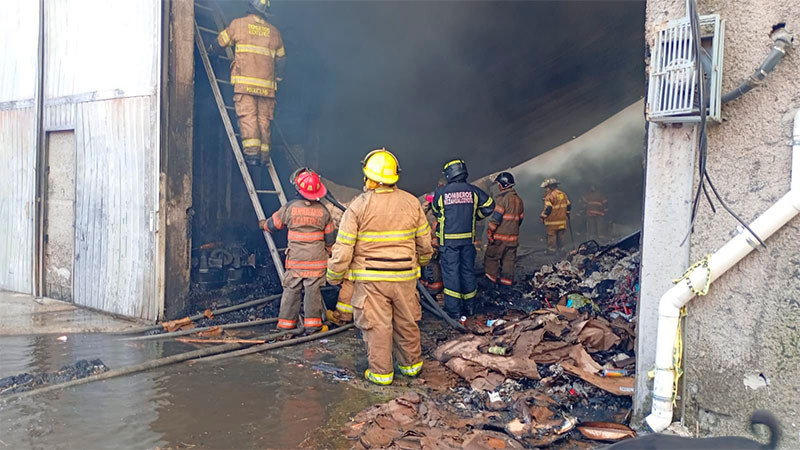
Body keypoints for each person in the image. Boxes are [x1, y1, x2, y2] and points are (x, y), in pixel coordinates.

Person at [327, 148, 433, 386]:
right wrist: (422, 263)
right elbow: (425, 243)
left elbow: (343, 247)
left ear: (370, 178)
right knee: (407, 320)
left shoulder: (358, 206)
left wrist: (334, 276)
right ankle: (411, 366)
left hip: (371, 280)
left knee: (378, 326)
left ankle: (382, 374)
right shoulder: (411, 202)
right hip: (405, 277)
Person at [260, 168, 335, 332]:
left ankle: (286, 325)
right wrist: (329, 251)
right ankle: (313, 326)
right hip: (316, 262)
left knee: (291, 291)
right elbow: (330, 238)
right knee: (313, 293)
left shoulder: (290, 207)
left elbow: (274, 225)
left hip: (296, 261)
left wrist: (263, 224)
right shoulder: (324, 211)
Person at [214, 0, 286, 166]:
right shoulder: (274, 33)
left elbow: (221, 42)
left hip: (245, 86)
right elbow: (282, 59)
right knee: (264, 120)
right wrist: (278, 77)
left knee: (248, 117)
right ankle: (264, 156)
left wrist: (211, 49)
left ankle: (252, 156)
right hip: (267, 88)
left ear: (250, 8)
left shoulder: (238, 25)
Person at [431, 159, 494, 318]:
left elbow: (435, 210)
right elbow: (489, 206)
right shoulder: (473, 191)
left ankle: (454, 310)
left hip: (448, 243)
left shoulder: (442, 193)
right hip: (467, 241)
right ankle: (470, 307)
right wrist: (475, 216)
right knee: (467, 272)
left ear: (449, 174)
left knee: (451, 274)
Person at [484, 172, 524, 287]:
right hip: (513, 239)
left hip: (499, 239)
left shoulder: (502, 200)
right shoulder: (519, 200)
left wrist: (490, 232)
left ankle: (491, 284)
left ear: (502, 185)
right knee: (508, 263)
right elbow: (520, 219)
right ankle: (506, 286)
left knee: (491, 259)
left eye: (498, 184)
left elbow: (496, 219)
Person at [539, 177, 571, 253]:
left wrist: (543, 216)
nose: (545, 190)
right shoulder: (563, 194)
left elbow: (548, 208)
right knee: (561, 236)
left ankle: (552, 251)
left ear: (551, 187)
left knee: (551, 236)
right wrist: (567, 213)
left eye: (546, 188)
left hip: (552, 222)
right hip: (562, 221)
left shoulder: (550, 196)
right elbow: (569, 205)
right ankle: (562, 249)